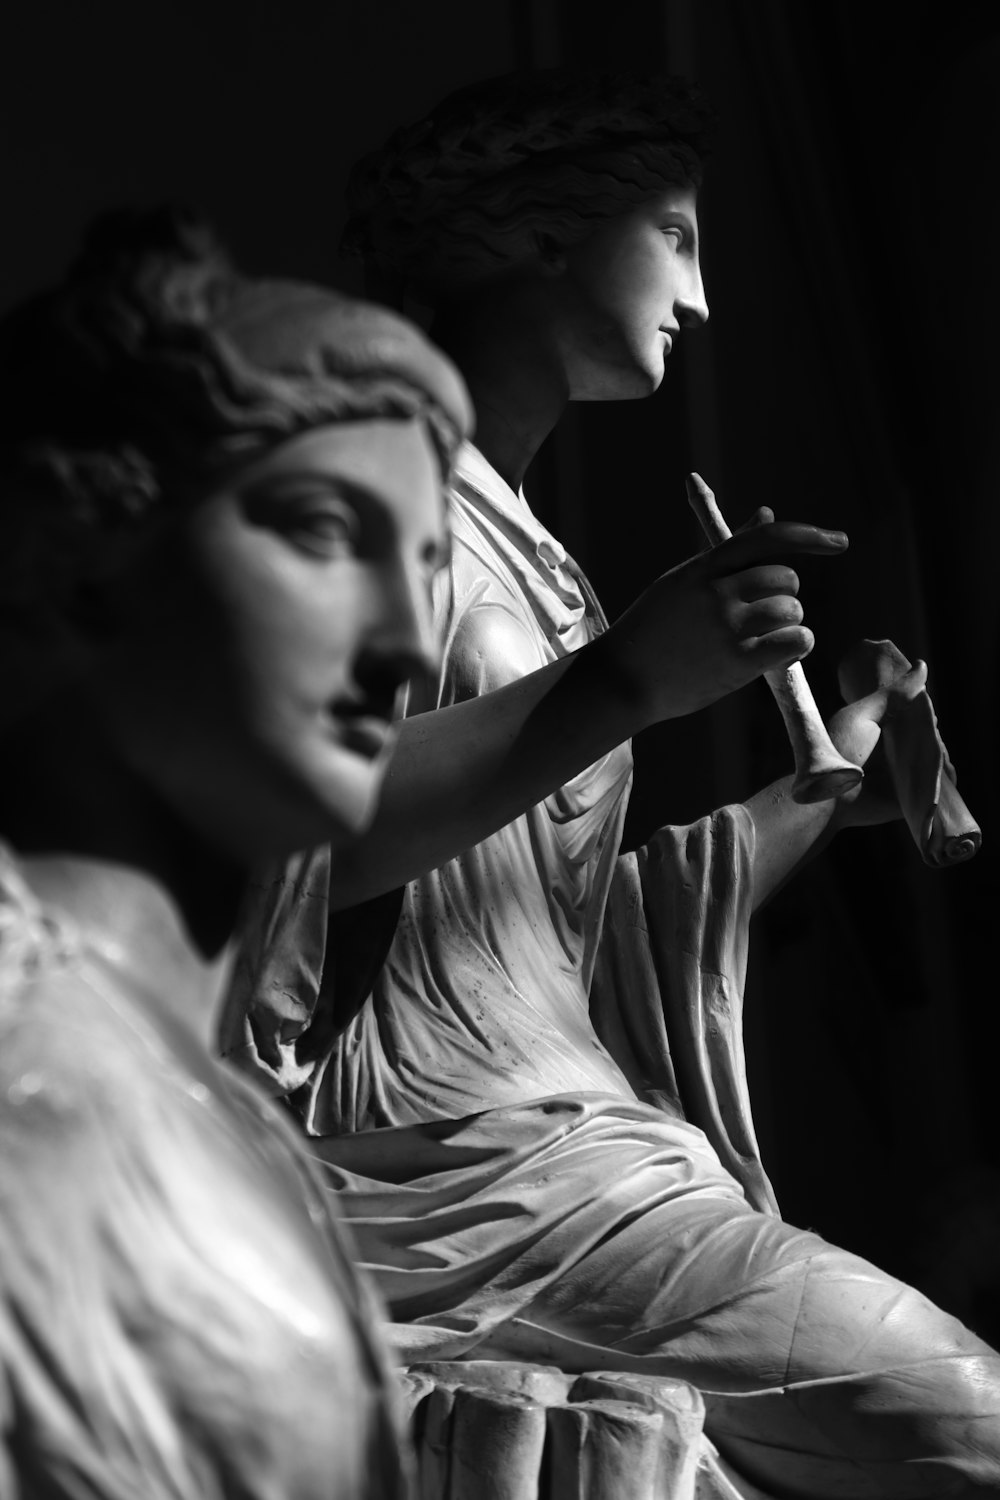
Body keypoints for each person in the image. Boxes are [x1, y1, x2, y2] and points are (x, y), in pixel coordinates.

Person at [230, 72, 1000, 1497]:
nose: (700, 301)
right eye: (678, 237)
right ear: (535, 235)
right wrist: (628, 683)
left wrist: (834, 777)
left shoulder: (543, 562)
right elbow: (281, 840)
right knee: (966, 1420)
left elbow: (570, 934)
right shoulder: (344, 478)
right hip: (443, 1173)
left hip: (586, 1154)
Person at [0, 208, 476, 1499]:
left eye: (430, 565)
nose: (410, 646)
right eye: (327, 532)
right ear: (86, 549)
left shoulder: (239, 1127)